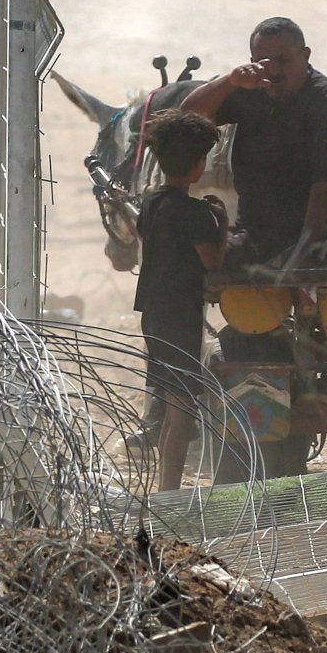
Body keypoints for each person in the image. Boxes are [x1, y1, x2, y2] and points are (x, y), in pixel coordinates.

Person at [180, 17, 327, 270]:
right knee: (183, 257)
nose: (273, 71)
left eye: (283, 60)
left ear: (305, 56)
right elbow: (185, 120)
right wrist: (230, 81)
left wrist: (298, 262)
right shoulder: (250, 90)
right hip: (255, 236)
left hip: (321, 240)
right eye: (264, 62)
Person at [133, 111, 228, 491]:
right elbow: (213, 261)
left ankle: (165, 487)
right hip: (180, 315)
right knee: (183, 410)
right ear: (199, 165)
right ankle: (169, 491)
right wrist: (221, 223)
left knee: (172, 403)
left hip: (154, 313)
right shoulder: (195, 213)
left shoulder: (152, 201)